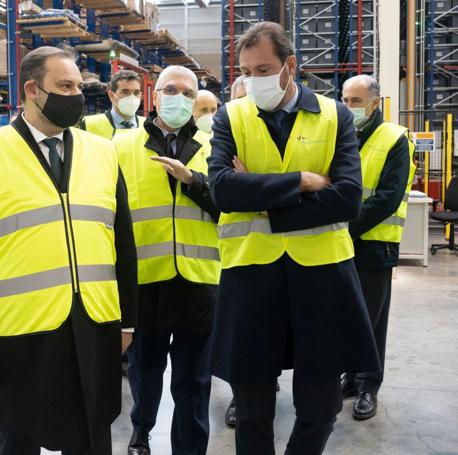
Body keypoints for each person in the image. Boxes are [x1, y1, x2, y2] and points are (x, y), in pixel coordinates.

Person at [0, 46, 138, 455]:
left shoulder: (102, 152)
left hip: (93, 325)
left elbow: (123, 244)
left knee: (92, 435)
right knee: (17, 437)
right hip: (17, 335)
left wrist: (127, 322)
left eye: (79, 86)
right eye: (64, 86)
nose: (76, 95)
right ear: (32, 89)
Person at [207, 22, 380, 454]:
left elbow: (348, 201)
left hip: (321, 276)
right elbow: (222, 189)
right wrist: (303, 180)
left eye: (262, 68)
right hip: (251, 275)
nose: (252, 80)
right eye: (245, 71)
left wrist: (261, 196)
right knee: (250, 407)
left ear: (289, 66)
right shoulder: (232, 115)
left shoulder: (333, 115)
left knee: (320, 405)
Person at [115, 65, 221, 455]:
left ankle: (190, 448)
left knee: (195, 379)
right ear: (154, 95)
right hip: (146, 279)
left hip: (200, 279)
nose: (179, 98)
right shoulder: (120, 147)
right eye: (171, 89)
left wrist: (194, 182)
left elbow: (229, 207)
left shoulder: (215, 149)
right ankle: (141, 430)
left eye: (188, 93)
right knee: (145, 369)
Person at [340, 74, 415, 421]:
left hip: (374, 245)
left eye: (355, 101)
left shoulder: (395, 139)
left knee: (372, 318)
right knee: (347, 316)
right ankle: (352, 377)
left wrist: (347, 229)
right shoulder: (340, 136)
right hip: (339, 245)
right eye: (345, 99)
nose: (349, 107)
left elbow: (387, 198)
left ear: (375, 103)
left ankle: (369, 382)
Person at [222, 73, 281, 430]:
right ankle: (239, 396)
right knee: (243, 344)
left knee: (273, 339)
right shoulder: (224, 132)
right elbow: (225, 189)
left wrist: (254, 187)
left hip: (287, 255)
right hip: (239, 254)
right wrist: (286, 188)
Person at [80, 70, 145, 138]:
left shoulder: (149, 127)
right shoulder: (88, 125)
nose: (132, 98)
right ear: (111, 95)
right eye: (125, 92)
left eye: (136, 93)